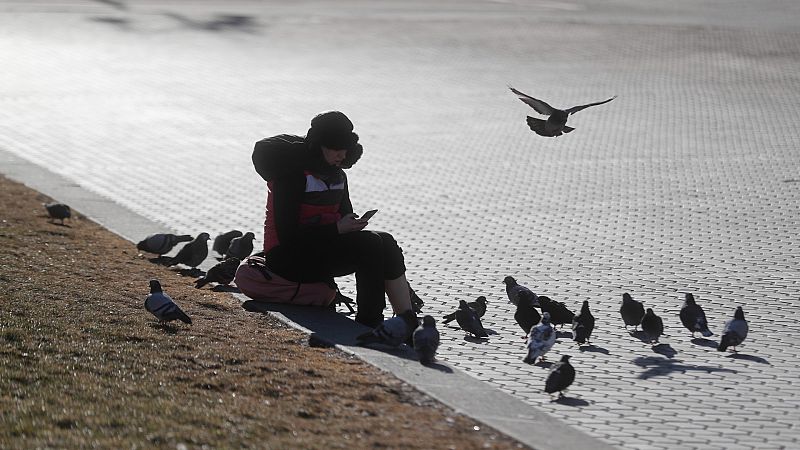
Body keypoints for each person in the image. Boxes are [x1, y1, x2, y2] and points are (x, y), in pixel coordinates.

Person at [252, 110, 419, 342]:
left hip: (320, 248)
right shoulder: (291, 177)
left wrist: (351, 223)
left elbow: (344, 213)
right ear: (318, 146)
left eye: (345, 148)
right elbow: (289, 236)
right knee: (370, 244)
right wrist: (337, 229)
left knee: (385, 241)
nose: (342, 154)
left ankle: (407, 323)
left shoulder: (338, 175)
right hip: (286, 257)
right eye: (335, 148)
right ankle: (370, 322)